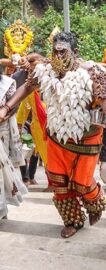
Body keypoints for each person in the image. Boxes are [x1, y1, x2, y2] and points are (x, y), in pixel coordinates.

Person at [0, 32, 106, 238]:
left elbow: (105, 95)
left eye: (63, 53)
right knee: (60, 183)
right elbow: (27, 88)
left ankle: (95, 204)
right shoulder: (44, 70)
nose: (58, 57)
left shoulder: (92, 71)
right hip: (56, 136)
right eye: (55, 52)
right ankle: (72, 220)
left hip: (87, 137)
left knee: (83, 183)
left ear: (75, 52)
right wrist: (7, 107)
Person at [0, 67, 27, 219]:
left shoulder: (7, 83)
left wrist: (4, 113)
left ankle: (1, 209)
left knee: (1, 172)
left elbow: (14, 106)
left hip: (1, 130)